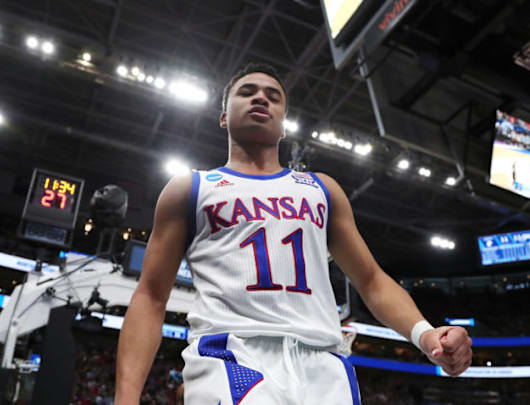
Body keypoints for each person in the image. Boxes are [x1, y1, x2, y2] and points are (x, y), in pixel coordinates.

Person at [114, 63, 473, 405]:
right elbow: (150, 296)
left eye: (273, 96)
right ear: (224, 117)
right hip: (231, 353)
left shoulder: (322, 189)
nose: (260, 99)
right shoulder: (191, 188)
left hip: (324, 363)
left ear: (284, 124)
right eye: (247, 92)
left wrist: (425, 334)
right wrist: (126, 397)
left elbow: (371, 280)